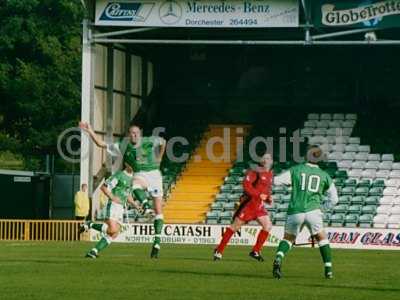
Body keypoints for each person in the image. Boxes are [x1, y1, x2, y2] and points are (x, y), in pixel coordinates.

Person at [79, 121, 166, 258]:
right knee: (135, 185)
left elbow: (163, 141)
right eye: (132, 133)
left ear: (140, 134)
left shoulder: (148, 140)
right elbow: (101, 144)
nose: (135, 135)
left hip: (154, 174)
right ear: (128, 135)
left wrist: (159, 158)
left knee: (159, 213)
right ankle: (145, 205)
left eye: (137, 133)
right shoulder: (123, 146)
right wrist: (90, 131)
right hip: (139, 177)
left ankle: (156, 243)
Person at [272, 145, 338, 279]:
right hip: (314, 211)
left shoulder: (296, 170)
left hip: (295, 210)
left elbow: (276, 181)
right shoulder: (324, 175)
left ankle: (279, 258)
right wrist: (323, 208)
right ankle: (328, 270)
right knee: (322, 238)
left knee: (288, 238)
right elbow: (334, 199)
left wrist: (289, 183)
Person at [214, 153, 274, 261]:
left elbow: (265, 190)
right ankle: (219, 251)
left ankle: (255, 251)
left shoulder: (270, 174)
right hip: (249, 205)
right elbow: (247, 186)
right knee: (234, 227)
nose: (266, 160)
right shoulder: (255, 171)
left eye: (268, 158)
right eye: (264, 158)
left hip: (259, 206)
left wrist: (269, 198)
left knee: (268, 225)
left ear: (271, 161)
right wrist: (259, 195)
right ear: (260, 160)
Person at [80, 164, 137, 258]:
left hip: (121, 208)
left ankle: (94, 251)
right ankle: (90, 224)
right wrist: (113, 197)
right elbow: (103, 187)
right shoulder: (119, 175)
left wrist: (135, 205)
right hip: (114, 205)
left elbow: (127, 194)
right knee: (112, 230)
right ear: (127, 164)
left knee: (114, 234)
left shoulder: (132, 178)